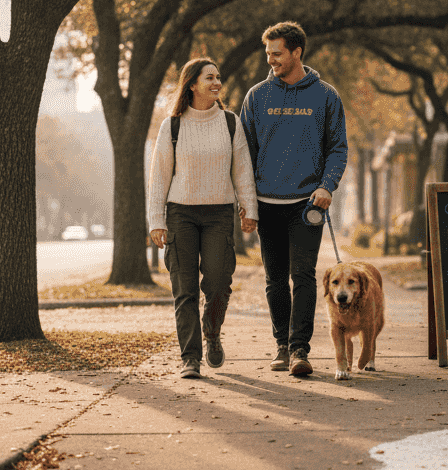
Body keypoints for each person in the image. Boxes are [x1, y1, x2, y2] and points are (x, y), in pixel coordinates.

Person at [239, 21, 348, 377]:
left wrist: (326, 186)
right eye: (267, 53)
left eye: (277, 53)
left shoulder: (326, 96)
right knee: (274, 279)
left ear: (296, 52)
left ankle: (301, 349)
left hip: (307, 205)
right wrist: (246, 202)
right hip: (267, 203)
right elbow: (244, 154)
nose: (270, 60)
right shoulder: (257, 96)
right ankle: (282, 347)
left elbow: (337, 148)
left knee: (302, 276)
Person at [148, 58, 258, 379]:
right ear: (192, 84)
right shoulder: (172, 126)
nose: (217, 83)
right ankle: (190, 358)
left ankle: (212, 331)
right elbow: (159, 177)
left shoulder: (230, 123)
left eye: (218, 78)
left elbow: (242, 171)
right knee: (185, 289)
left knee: (219, 283)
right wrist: (157, 220)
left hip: (219, 213)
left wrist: (249, 210)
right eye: (209, 77)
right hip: (180, 213)